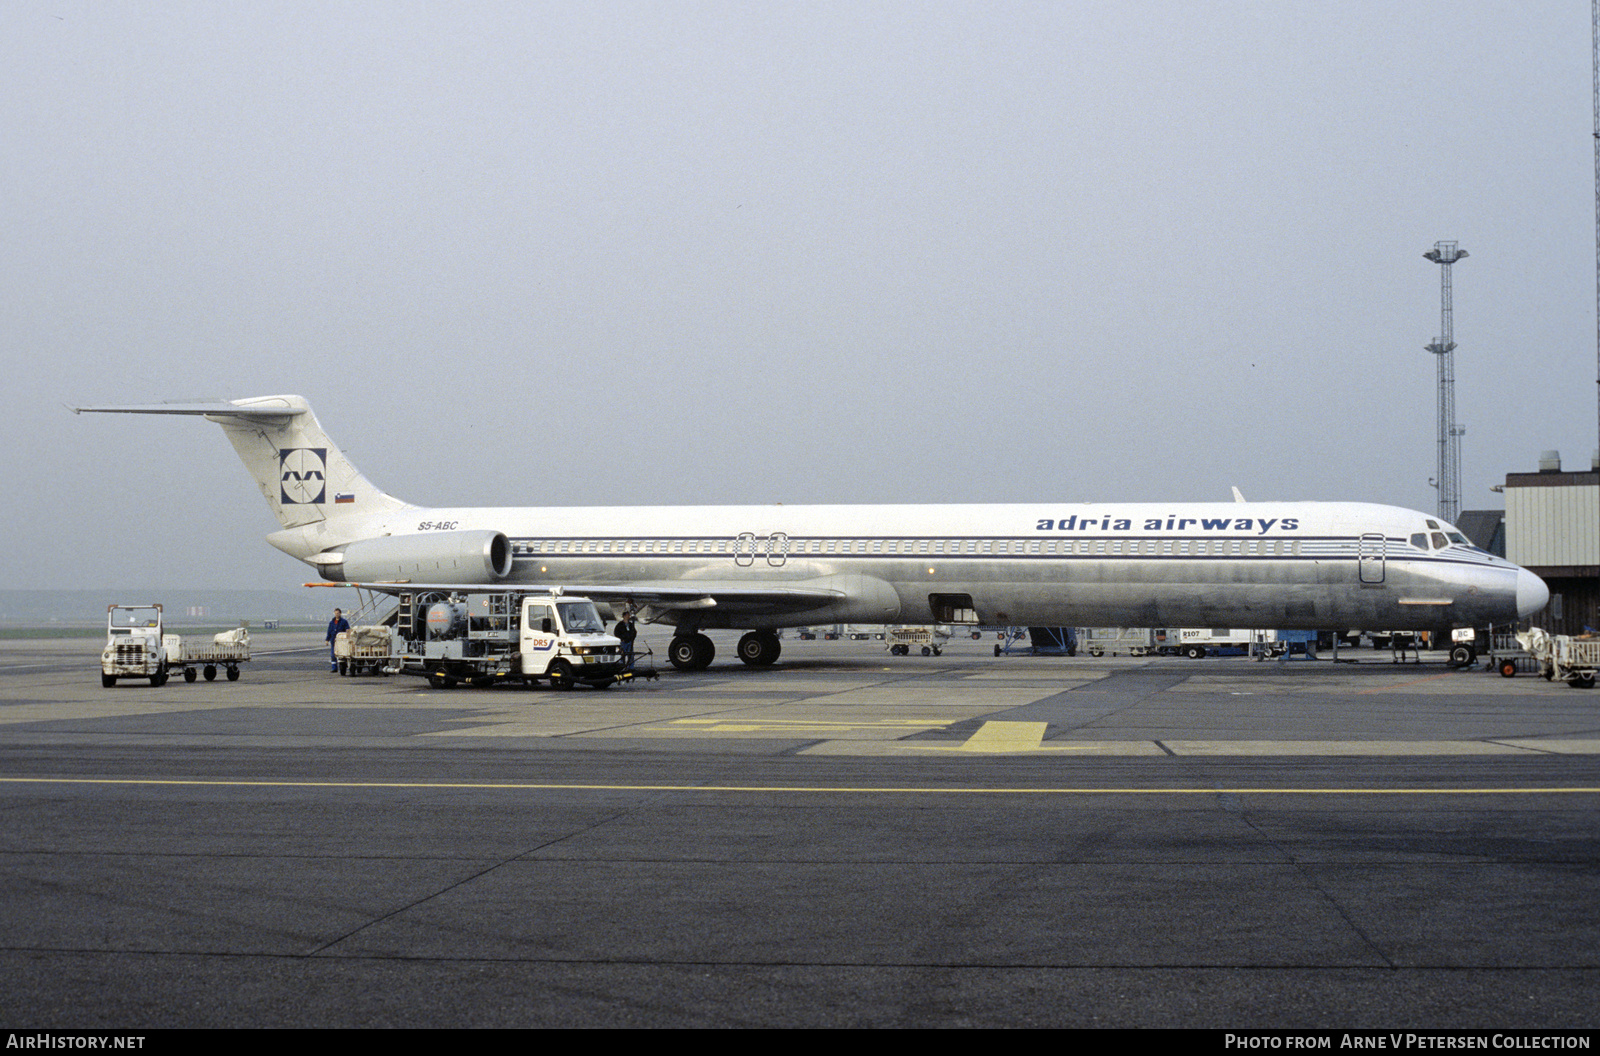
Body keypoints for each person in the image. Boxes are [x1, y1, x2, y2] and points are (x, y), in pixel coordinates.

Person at [326, 608, 350, 672]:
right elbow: (329, 631)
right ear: (334, 613)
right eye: (336, 613)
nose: (337, 614)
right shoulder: (331, 622)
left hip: (342, 642)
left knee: (342, 655)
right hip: (333, 641)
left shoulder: (344, 622)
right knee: (333, 655)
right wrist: (327, 640)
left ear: (340, 613)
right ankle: (334, 668)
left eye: (338, 613)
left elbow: (348, 630)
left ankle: (343, 667)